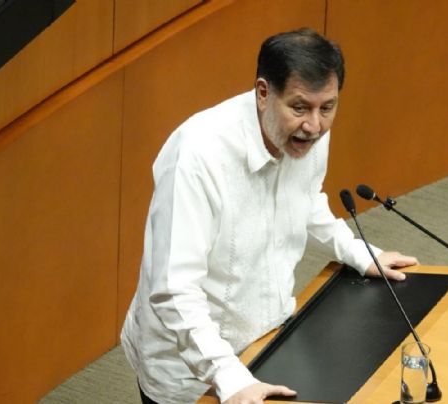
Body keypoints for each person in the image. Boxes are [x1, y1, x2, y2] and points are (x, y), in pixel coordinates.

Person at [121, 28, 418, 404]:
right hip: (191, 373)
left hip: (267, 344)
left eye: (327, 108)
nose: (315, 126)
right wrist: (229, 376)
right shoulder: (197, 157)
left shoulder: (307, 132)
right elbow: (175, 291)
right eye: (300, 108)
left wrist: (356, 251)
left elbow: (305, 199)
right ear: (263, 93)